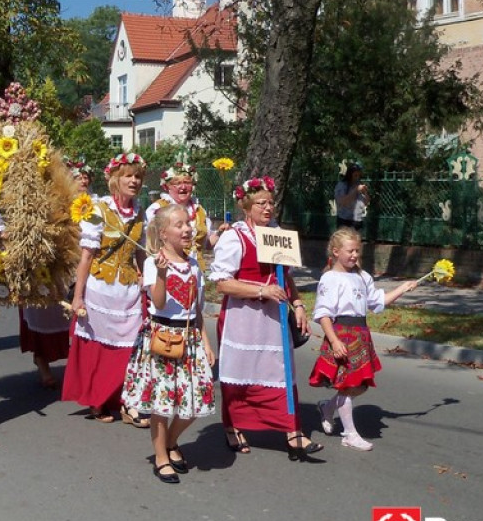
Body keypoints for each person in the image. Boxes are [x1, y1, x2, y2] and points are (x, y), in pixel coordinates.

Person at [209, 175, 321, 460]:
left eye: (271, 203)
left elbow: (287, 276)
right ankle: (232, 425)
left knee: (280, 371)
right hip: (241, 316)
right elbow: (222, 283)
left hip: (273, 316)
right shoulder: (234, 237)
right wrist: (261, 289)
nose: (268, 208)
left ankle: (292, 431)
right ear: (247, 206)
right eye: (261, 203)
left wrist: (298, 305)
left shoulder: (276, 233)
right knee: (239, 373)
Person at [123, 204, 216, 484]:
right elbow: (159, 302)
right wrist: (162, 275)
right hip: (162, 337)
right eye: (179, 225)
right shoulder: (154, 263)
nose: (187, 228)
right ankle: (161, 456)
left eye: (188, 223)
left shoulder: (194, 265)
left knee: (196, 399)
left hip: (189, 339)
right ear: (163, 233)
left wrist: (207, 343)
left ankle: (171, 442)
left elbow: (196, 310)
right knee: (161, 404)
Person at [310, 227, 417, 451]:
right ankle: (349, 434)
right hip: (341, 334)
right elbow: (323, 314)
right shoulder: (330, 278)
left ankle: (328, 408)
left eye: (357, 251)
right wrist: (334, 341)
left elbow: (377, 302)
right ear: (336, 251)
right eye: (350, 251)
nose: (354, 255)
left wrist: (402, 289)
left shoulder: (363, 276)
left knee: (359, 386)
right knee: (348, 386)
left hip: (360, 334)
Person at [63, 152, 149, 426]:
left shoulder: (139, 212)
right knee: (98, 347)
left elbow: (140, 254)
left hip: (128, 290)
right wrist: (78, 297)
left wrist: (148, 283)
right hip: (100, 288)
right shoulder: (98, 211)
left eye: (137, 176)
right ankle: (98, 398)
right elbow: (86, 257)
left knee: (129, 345)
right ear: (115, 179)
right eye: (128, 176)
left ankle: (125, 400)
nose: (134, 181)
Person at [145, 162, 229, 270]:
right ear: (167, 187)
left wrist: (220, 233)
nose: (183, 187)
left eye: (187, 182)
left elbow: (205, 244)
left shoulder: (199, 210)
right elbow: (149, 242)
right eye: (177, 183)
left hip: (196, 269)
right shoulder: (158, 209)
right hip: (167, 268)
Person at [334, 162, 369, 231]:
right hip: (344, 220)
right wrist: (355, 190)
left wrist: (365, 193)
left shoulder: (359, 185)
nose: (357, 178)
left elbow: (366, 203)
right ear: (350, 174)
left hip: (356, 220)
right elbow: (342, 202)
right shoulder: (342, 185)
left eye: (359, 175)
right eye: (355, 175)